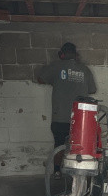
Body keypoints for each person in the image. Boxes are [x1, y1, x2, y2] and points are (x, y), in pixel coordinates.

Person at [36, 42, 96, 176]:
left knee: (59, 145)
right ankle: (78, 173)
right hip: (81, 118)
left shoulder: (56, 66)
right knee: (80, 145)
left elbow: (40, 79)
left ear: (61, 54)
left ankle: (57, 172)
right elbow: (92, 90)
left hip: (60, 117)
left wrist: (58, 80)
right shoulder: (85, 69)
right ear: (76, 55)